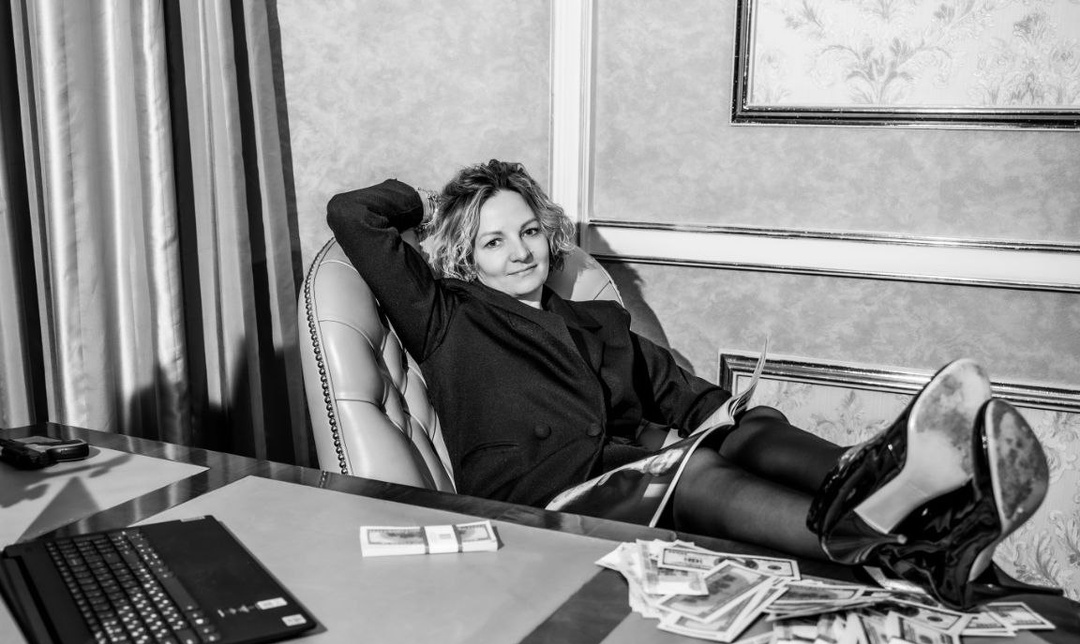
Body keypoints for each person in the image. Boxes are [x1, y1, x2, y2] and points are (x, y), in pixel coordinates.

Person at [326, 159, 1050, 610]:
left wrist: (732, 416)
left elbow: (686, 394)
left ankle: (888, 488)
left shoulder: (600, 322)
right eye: (494, 240)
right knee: (693, 469)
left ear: (548, 233)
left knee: (742, 427)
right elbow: (352, 213)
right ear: (467, 255)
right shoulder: (448, 315)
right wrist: (436, 204)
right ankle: (895, 537)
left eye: (528, 231)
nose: (519, 252)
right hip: (534, 502)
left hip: (620, 476)